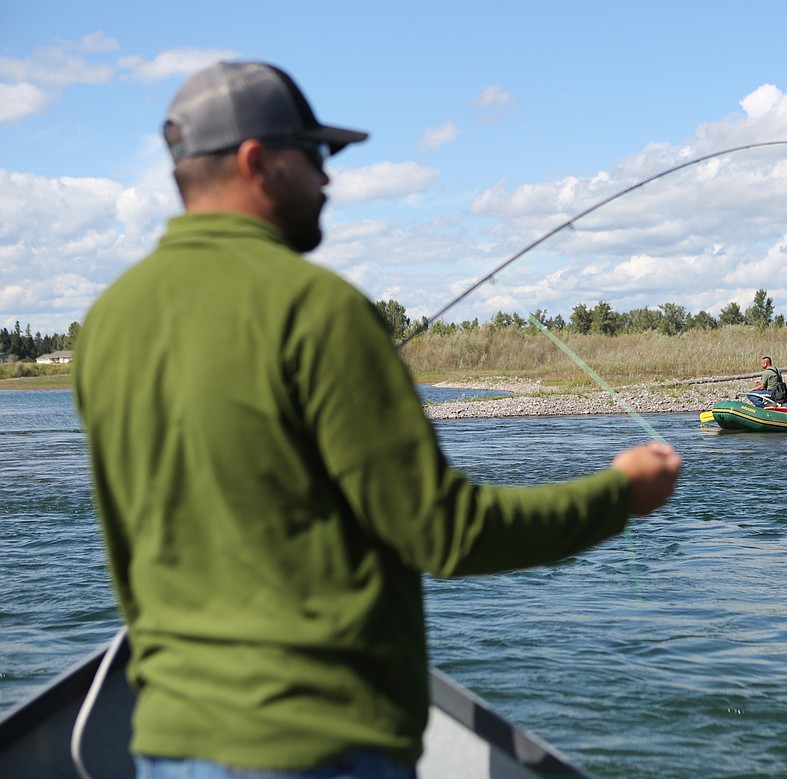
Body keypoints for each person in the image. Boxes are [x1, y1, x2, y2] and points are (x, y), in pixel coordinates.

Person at [72, 61, 681, 779]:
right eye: (318, 155)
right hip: (316, 748)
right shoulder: (317, 309)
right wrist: (619, 494)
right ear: (256, 161)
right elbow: (446, 532)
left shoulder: (108, 323)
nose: (329, 179)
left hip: (168, 744)